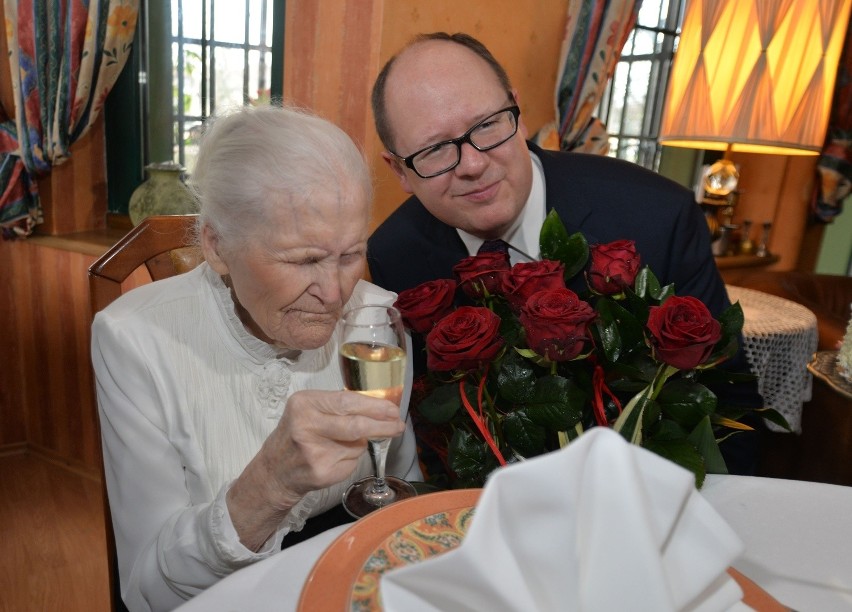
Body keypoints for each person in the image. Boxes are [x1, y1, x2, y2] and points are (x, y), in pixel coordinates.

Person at [367, 32, 762, 474]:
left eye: (487, 125)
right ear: (399, 170)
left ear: (518, 107)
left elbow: (730, 409)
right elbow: (431, 428)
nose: (473, 165)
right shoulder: (394, 254)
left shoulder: (655, 217)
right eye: (435, 149)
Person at [91, 105, 421, 611]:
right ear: (217, 246)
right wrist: (268, 486)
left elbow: (403, 491)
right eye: (304, 260)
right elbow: (147, 591)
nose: (335, 293)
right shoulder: (135, 340)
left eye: (351, 253)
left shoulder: (376, 324)